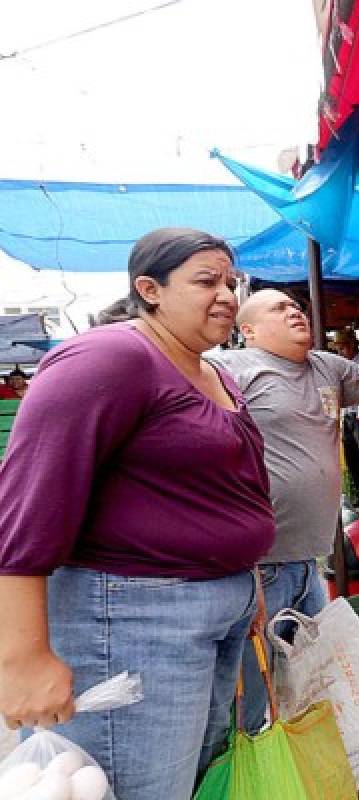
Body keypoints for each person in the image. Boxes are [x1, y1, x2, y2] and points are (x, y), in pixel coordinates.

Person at [0, 228, 276, 799]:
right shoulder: (110, 357)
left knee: (187, 782)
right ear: (149, 289)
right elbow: (27, 504)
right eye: (207, 281)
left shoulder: (213, 371)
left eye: (231, 281)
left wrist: (244, 582)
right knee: (136, 788)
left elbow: (224, 490)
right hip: (131, 618)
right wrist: (23, 657)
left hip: (212, 609)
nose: (226, 294)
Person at [211, 289, 359, 733]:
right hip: (261, 565)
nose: (295, 312)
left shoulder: (326, 366)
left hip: (308, 562)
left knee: (314, 675)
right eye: (280, 308)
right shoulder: (231, 369)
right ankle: (248, 771)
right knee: (251, 689)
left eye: (297, 307)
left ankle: (305, 761)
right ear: (248, 331)